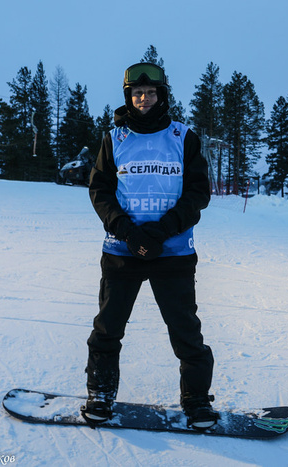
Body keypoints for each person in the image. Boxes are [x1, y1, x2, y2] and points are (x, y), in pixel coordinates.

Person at [83, 62, 217, 430]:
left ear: (162, 95)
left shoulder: (183, 137)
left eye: (151, 93)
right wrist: (128, 232)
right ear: (129, 96)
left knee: (186, 332)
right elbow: (100, 191)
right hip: (121, 251)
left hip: (173, 252)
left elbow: (198, 192)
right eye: (138, 93)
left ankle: (196, 400)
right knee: (108, 328)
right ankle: (101, 394)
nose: (144, 99)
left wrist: (161, 231)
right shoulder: (114, 139)